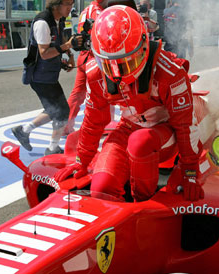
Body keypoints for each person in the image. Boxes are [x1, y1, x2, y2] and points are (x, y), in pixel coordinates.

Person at [54, 5, 204, 202]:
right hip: (129, 127)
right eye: (110, 64)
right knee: (101, 189)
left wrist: (190, 172)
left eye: (126, 63)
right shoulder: (96, 73)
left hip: (167, 132)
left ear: (143, 48)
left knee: (140, 142)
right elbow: (93, 120)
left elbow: (185, 126)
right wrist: (82, 161)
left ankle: (143, 202)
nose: (117, 73)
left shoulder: (170, 73)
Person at [12, 0, 82, 155]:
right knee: (61, 110)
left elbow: (61, 38)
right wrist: (68, 47)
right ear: (56, 4)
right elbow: (44, 53)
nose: (71, 8)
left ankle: (24, 130)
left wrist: (69, 55)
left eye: (72, 4)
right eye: (67, 4)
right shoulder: (43, 22)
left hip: (48, 74)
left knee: (54, 109)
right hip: (39, 75)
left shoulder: (59, 19)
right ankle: (52, 148)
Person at [63, 0, 109, 135]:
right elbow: (100, 36)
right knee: (99, 95)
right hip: (94, 58)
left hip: (83, 56)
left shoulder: (86, 10)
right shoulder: (98, 12)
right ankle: (98, 127)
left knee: (77, 93)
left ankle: (66, 125)